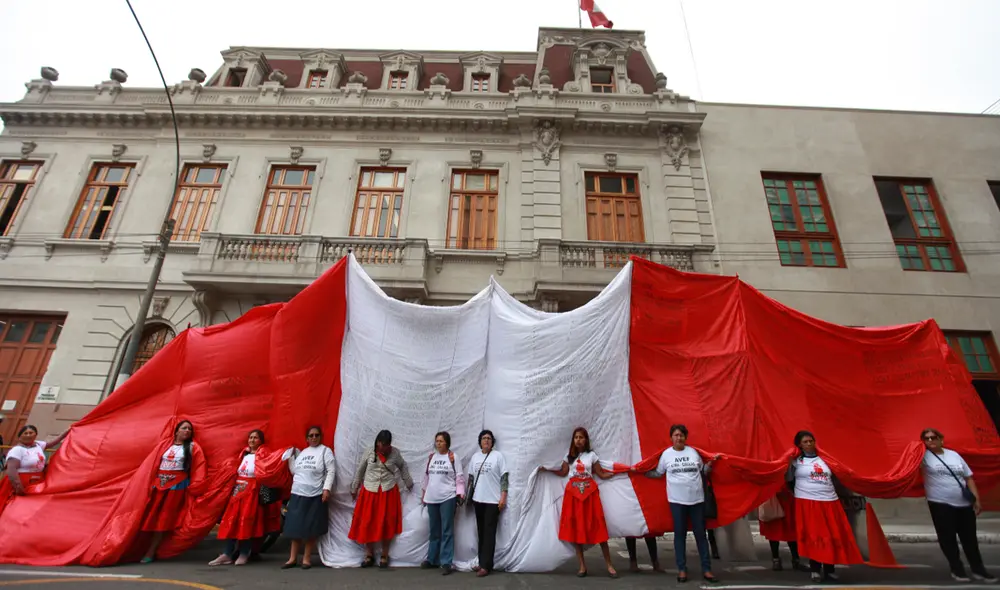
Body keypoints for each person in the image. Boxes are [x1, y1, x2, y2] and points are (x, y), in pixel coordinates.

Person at [637, 424, 718, 583]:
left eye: (681, 435)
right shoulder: (666, 455)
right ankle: (682, 569)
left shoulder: (694, 452)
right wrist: (641, 472)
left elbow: (704, 472)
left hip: (697, 500)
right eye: (675, 435)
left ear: (685, 437)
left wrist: (710, 464)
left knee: (701, 536)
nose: (678, 438)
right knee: (679, 536)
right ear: (671, 438)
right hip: (677, 501)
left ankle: (707, 569)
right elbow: (658, 473)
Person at [920, 427, 997, 583]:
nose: (930, 441)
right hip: (940, 503)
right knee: (948, 539)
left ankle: (978, 570)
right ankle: (957, 568)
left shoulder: (954, 455)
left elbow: (968, 478)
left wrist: (976, 500)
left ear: (941, 439)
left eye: (933, 437)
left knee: (970, 539)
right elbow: (905, 464)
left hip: (963, 504)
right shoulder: (923, 457)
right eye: (926, 438)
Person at [542, 427, 619, 579]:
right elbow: (563, 472)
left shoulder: (592, 455)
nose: (578, 440)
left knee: (598, 528)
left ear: (586, 440)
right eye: (576, 437)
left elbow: (601, 474)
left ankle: (609, 565)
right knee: (577, 529)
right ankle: (582, 566)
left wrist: (618, 473)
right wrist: (547, 469)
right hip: (573, 496)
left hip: (590, 495)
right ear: (573, 440)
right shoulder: (568, 457)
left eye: (581, 437)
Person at [787, 430, 862, 583]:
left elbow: (839, 475)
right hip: (808, 503)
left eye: (811, 441)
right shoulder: (795, 461)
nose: (809, 444)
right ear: (799, 445)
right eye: (805, 442)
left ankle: (829, 569)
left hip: (829, 502)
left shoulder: (826, 459)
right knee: (815, 536)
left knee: (831, 536)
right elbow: (788, 480)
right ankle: (815, 569)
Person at [210, 429, 285, 566]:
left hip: (252, 493)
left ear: (261, 441)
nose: (252, 440)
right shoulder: (243, 454)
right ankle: (227, 553)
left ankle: (244, 553)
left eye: (255, 438)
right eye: (250, 437)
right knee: (232, 523)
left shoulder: (264, 454)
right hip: (237, 492)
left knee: (247, 523)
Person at [138, 420, 206, 563]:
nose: (187, 431)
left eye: (189, 429)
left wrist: (195, 487)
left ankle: (152, 550)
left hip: (176, 488)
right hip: (158, 486)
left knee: (163, 519)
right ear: (176, 431)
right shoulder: (165, 445)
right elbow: (152, 464)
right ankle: (142, 547)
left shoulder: (193, 447)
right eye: (184, 428)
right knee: (149, 517)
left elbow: (199, 468)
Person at [349, 429, 413, 569]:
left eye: (384, 444)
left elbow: (403, 467)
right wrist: (354, 488)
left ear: (389, 444)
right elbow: (360, 470)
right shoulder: (369, 452)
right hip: (370, 490)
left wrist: (408, 482)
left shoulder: (395, 453)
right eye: (379, 444)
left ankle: (384, 554)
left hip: (387, 490)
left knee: (386, 522)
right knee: (367, 521)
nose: (381, 447)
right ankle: (369, 554)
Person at [282, 426, 335, 570]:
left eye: (316, 435)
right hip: (297, 492)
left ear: (320, 436)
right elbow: (294, 471)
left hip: (315, 493)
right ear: (307, 438)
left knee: (311, 528)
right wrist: (290, 457)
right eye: (311, 435)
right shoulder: (303, 452)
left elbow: (331, 470)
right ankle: (292, 558)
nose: (314, 438)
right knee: (295, 526)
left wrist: (326, 489)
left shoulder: (325, 451)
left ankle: (306, 558)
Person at [420, 431, 465, 575]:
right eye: (437, 441)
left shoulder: (453, 457)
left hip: (447, 497)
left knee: (447, 530)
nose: (438, 443)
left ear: (447, 443)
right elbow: (427, 477)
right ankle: (432, 559)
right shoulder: (432, 457)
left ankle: (446, 561)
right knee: (434, 529)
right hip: (432, 498)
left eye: (441, 441)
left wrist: (460, 494)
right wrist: (424, 494)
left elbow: (459, 477)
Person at [467, 429, 508, 578]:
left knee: (489, 533)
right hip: (478, 499)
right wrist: (468, 497)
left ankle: (486, 566)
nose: (486, 441)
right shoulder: (475, 457)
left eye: (489, 438)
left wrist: (503, 496)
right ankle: (482, 561)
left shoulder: (498, 456)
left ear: (492, 442)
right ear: (480, 442)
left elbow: (504, 477)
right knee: (481, 532)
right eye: (484, 438)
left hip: (492, 501)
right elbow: (471, 479)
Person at [1, 424, 69, 504]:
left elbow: (55, 441)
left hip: (37, 482)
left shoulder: (38, 445)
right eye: (25, 433)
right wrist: (18, 488)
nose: (28, 435)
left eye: (31, 433)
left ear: (35, 435)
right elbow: (11, 470)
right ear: (20, 436)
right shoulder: (17, 450)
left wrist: (67, 431)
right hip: (20, 482)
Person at [758, 489, 804, 571]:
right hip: (779, 495)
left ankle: (779, 560)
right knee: (784, 529)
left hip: (779, 495)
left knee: (786, 529)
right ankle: (793, 559)